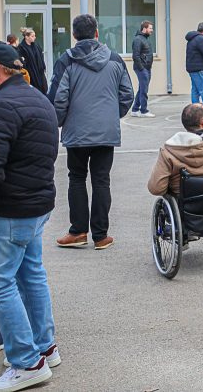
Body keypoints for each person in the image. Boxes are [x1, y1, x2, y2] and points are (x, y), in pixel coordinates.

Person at [0, 43, 61, 392]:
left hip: (9, 211)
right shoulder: (37, 98)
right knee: (30, 276)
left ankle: (27, 363)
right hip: (34, 207)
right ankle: (45, 348)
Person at [50, 14, 134, 251]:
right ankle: (101, 235)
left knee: (77, 178)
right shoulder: (115, 59)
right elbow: (127, 94)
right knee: (101, 180)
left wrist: (60, 121)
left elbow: (58, 99)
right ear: (97, 33)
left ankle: (78, 231)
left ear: (74, 35)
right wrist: (111, 116)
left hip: (77, 131)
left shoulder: (66, 60)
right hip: (106, 131)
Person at [131, 20, 154, 118]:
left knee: (142, 89)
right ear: (144, 29)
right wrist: (141, 68)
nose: (152, 30)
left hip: (147, 68)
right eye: (150, 28)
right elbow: (135, 56)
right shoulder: (138, 40)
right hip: (142, 68)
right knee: (144, 90)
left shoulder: (145, 39)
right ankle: (144, 111)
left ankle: (135, 109)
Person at [17, 28, 48, 97]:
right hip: (30, 73)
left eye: (34, 36)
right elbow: (21, 61)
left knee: (43, 91)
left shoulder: (36, 46)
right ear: (26, 37)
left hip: (39, 72)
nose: (35, 37)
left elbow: (41, 57)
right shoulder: (21, 48)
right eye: (32, 36)